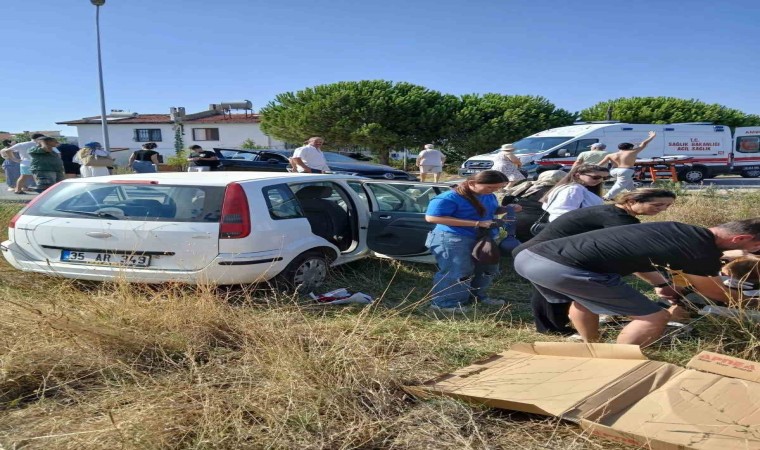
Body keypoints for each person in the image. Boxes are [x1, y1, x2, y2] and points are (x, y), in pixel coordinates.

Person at [514, 218, 760, 346]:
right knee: (654, 317)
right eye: (756, 246)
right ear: (739, 238)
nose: (756, 251)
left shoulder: (678, 229)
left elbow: (640, 259)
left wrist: (662, 284)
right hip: (560, 266)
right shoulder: (700, 250)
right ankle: (621, 363)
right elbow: (716, 293)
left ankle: (592, 347)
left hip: (531, 257)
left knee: (585, 301)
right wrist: (751, 302)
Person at [513, 188, 677, 335]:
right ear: (632, 201)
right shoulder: (618, 220)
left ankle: (556, 328)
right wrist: (661, 283)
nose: (662, 209)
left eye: (667, 206)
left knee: (565, 294)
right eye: (657, 205)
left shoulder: (609, 212)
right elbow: (633, 256)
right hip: (545, 256)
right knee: (562, 292)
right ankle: (553, 329)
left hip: (536, 254)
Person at [424, 170, 511, 313]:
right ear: (472, 183)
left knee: (486, 268)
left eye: (499, 187)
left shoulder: (488, 195)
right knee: (457, 271)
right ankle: (445, 304)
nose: (494, 190)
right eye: (491, 187)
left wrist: (506, 209)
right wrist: (477, 223)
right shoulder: (449, 197)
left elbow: (490, 210)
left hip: (482, 237)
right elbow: (432, 218)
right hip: (453, 238)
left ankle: (476, 296)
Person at [501, 170, 565, 242]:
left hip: (510, 221)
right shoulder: (562, 191)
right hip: (536, 226)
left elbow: (504, 203)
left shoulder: (525, 186)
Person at [540, 164, 610, 222]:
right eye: (596, 177)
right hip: (571, 228)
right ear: (577, 175)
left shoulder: (574, 188)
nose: (601, 180)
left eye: (605, 178)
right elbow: (563, 215)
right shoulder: (573, 189)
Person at [599, 131, 657, 200]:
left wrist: (589, 168)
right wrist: (652, 136)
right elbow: (644, 143)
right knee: (620, 185)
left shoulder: (610, 155)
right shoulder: (632, 152)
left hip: (613, 171)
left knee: (629, 185)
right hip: (626, 170)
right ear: (630, 148)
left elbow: (600, 164)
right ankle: (606, 197)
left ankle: (635, 196)